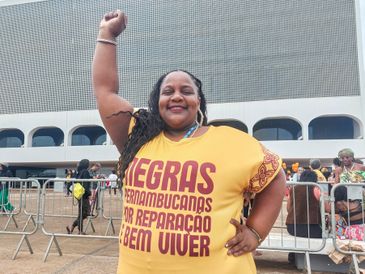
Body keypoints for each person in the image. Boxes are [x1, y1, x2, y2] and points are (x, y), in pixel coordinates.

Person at [92, 10, 286, 274]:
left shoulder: (231, 142)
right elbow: (105, 91)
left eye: (186, 91)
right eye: (167, 91)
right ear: (156, 101)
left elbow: (275, 178)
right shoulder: (136, 136)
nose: (176, 96)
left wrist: (254, 231)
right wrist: (107, 35)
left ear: (199, 102)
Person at [286, 170, 323, 238]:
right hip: (311, 228)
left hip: (292, 227)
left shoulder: (293, 189)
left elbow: (288, 208)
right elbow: (326, 208)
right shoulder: (316, 189)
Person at [66, 159, 92, 235]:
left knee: (83, 213)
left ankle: (73, 228)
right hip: (84, 195)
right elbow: (86, 184)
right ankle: (79, 229)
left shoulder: (78, 172)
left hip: (79, 194)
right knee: (84, 213)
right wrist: (89, 194)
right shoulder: (85, 172)